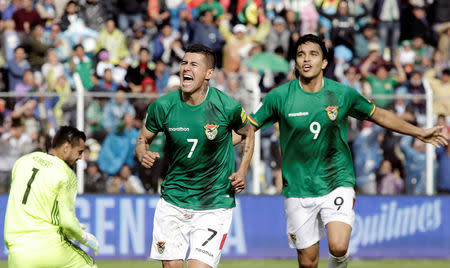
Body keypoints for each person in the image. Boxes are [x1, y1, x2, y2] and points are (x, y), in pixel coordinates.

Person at [247, 34, 447, 268]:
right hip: (299, 187)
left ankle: (339, 260)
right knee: (308, 262)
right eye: (301, 54)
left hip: (336, 179)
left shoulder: (342, 94)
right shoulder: (279, 97)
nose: (306, 59)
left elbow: (379, 115)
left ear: (324, 62)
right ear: (296, 62)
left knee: (339, 246)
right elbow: (248, 126)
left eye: (313, 54)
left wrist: (418, 132)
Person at [135, 44, 254, 268]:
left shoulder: (226, 106)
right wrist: (143, 152)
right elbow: (143, 139)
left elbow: (248, 134)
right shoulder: (163, 106)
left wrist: (243, 170)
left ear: (209, 73)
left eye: (193, 64)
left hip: (214, 201)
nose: (186, 68)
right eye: (184, 63)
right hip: (174, 200)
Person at [4, 126, 99, 268]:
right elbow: (67, 222)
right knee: (88, 265)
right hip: (49, 247)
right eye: (79, 152)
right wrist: (83, 237)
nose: (80, 157)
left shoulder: (22, 162)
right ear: (66, 147)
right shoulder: (66, 174)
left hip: (17, 252)